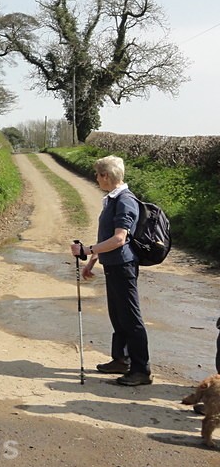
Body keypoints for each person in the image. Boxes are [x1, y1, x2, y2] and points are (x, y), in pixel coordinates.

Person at [70, 155, 152, 386]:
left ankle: (141, 370)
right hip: (114, 265)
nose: (96, 178)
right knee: (118, 315)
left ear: (106, 176)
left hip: (123, 266)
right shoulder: (113, 198)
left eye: (98, 174)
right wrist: (92, 260)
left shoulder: (125, 200)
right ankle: (121, 360)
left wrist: (86, 249)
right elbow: (107, 237)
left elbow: (119, 239)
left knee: (130, 317)